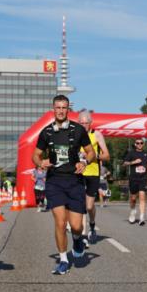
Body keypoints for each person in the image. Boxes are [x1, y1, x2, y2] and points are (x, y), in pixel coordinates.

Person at [33, 95, 95, 275]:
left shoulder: (78, 130)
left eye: (64, 107)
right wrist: (40, 163)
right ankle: (63, 259)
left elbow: (90, 152)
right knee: (60, 222)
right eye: (58, 107)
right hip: (54, 182)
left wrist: (84, 162)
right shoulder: (46, 132)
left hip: (74, 181)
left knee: (76, 226)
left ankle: (77, 238)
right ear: (53, 108)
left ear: (69, 109)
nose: (61, 110)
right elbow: (35, 155)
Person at [76, 109, 110, 244]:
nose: (84, 125)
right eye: (81, 123)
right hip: (78, 173)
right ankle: (83, 235)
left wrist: (92, 155)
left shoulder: (97, 135)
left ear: (91, 123)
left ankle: (92, 224)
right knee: (80, 204)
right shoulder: (74, 135)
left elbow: (107, 156)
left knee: (89, 206)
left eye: (86, 123)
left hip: (93, 173)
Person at [123, 138, 147, 225]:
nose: (139, 144)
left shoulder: (146, 153)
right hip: (133, 179)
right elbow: (124, 163)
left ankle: (142, 217)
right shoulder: (131, 153)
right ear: (135, 144)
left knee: (142, 197)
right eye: (138, 143)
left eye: (141, 143)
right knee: (133, 198)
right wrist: (133, 162)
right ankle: (132, 211)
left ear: (143, 144)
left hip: (143, 178)